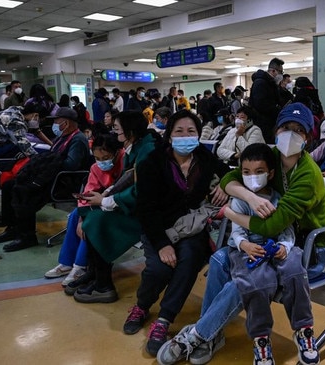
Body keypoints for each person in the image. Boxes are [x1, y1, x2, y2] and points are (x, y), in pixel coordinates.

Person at [156, 103, 325, 365]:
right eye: (285, 127)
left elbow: (274, 227)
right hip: (257, 239)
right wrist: (247, 196)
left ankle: (199, 335)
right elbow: (229, 179)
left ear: (308, 137)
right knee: (218, 260)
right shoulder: (270, 157)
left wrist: (231, 214)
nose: (290, 134)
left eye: (298, 130)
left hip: (302, 242)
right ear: (275, 130)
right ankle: (211, 334)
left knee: (243, 281)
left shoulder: (308, 175)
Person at [123, 110, 230, 357]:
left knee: (190, 259)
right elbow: (146, 209)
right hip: (158, 229)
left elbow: (230, 173)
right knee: (160, 268)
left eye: (191, 131)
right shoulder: (152, 162)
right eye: (179, 131)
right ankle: (142, 305)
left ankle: (163, 320)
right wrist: (161, 244)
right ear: (169, 135)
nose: (185, 136)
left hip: (190, 228)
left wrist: (224, 184)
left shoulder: (203, 156)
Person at [225, 143, 318, 365]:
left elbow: (286, 230)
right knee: (257, 283)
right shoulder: (240, 200)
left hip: (276, 245)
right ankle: (261, 340)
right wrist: (245, 245)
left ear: (271, 174)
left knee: (294, 270)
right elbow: (236, 232)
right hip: (247, 248)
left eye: (259, 172)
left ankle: (304, 330)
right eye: (246, 173)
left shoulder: (278, 198)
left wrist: (285, 246)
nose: (252, 178)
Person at [67, 111, 161, 302]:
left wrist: (105, 200)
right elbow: (125, 181)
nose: (115, 133)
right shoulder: (137, 147)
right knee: (86, 212)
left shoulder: (148, 150)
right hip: (133, 203)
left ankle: (103, 285)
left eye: (117, 129)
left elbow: (140, 190)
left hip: (147, 211)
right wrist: (105, 196)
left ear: (130, 131)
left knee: (97, 220)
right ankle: (95, 273)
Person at [0, 107, 90, 252]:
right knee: (9, 185)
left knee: (24, 190)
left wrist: (49, 162)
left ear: (66, 123)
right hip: (51, 177)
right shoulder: (62, 137)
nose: (55, 124)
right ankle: (13, 228)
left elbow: (71, 165)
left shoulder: (77, 139)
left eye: (57, 120)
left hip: (63, 182)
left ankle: (27, 236)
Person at [44, 133, 124, 286]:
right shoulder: (95, 168)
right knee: (76, 215)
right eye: (97, 158)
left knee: (91, 222)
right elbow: (87, 194)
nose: (101, 162)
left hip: (117, 206)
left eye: (106, 157)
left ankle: (80, 266)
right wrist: (81, 218)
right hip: (100, 203)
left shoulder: (125, 163)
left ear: (116, 153)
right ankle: (67, 262)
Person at [250, 58, 285, 144]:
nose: (281, 75)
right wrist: (277, 109)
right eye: (280, 72)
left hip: (270, 123)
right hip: (263, 124)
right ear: (273, 71)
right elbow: (261, 105)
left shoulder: (271, 83)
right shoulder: (260, 83)